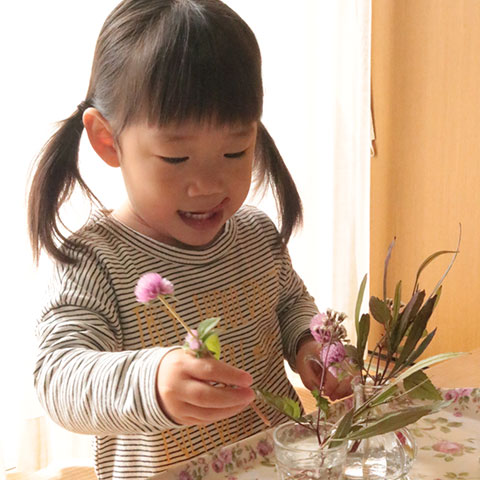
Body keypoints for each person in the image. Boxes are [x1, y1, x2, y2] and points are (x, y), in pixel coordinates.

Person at [28, 1, 351, 478]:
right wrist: (152, 381)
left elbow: (288, 303)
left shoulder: (256, 235)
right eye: (175, 158)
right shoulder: (94, 260)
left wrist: (310, 343)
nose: (208, 186)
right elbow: (58, 375)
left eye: (235, 151)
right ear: (107, 140)